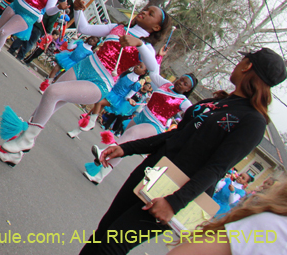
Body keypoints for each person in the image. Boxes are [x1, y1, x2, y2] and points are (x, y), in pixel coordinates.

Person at [79, 49, 285, 254]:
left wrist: (174, 202)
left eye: (242, 60)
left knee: (112, 244)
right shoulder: (217, 103)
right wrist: (126, 148)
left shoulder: (254, 121)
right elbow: (174, 136)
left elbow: (217, 168)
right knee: (103, 233)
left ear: (247, 65)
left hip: (174, 191)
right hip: (151, 173)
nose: (238, 64)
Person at [0, 0, 172, 166]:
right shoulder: (118, 28)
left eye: (151, 14)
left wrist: (139, 44)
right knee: (46, 106)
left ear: (156, 27)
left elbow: (153, 69)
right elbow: (84, 28)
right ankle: (16, 153)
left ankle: (27, 140)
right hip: (83, 67)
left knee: (52, 92)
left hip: (101, 82)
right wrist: (79, 10)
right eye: (146, 9)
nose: (144, 11)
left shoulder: (146, 48)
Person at [83, 72, 197, 184]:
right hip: (141, 117)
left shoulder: (184, 101)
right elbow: (153, 71)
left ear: (188, 90)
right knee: (124, 146)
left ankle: (103, 152)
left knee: (131, 134)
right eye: (181, 79)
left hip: (155, 125)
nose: (180, 83)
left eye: (185, 84)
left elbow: (195, 117)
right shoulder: (166, 84)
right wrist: (159, 56)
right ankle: (99, 176)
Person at [166, 179, 287, 255]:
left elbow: (232, 201)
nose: (265, 185)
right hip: (218, 204)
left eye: (243, 178)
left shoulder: (241, 192)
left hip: (222, 208)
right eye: (266, 183)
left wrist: (233, 192)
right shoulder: (272, 226)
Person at [66, 60, 148, 138]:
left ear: (143, 72)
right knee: (92, 112)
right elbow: (116, 82)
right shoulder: (126, 73)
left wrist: (130, 100)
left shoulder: (136, 83)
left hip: (117, 100)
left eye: (140, 67)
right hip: (110, 92)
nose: (137, 67)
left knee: (99, 102)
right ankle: (76, 131)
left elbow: (128, 96)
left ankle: (92, 122)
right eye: (138, 64)